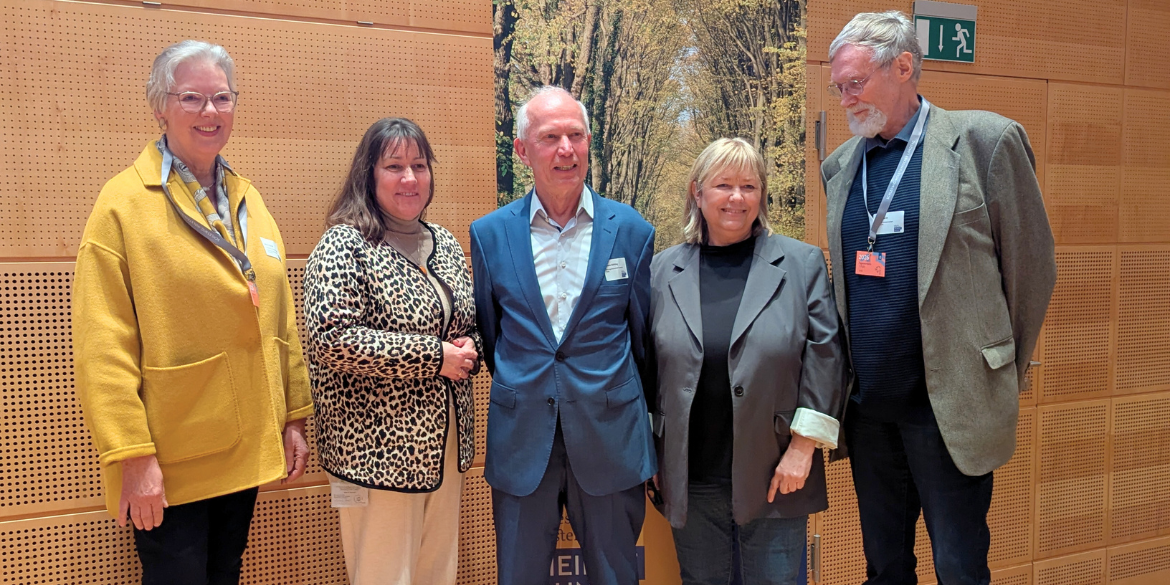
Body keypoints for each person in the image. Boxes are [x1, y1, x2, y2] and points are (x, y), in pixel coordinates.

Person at [821, 11, 1056, 585]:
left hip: (950, 410)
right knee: (884, 568)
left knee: (959, 568)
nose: (846, 99)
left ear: (903, 67)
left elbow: (1032, 270)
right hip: (870, 413)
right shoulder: (840, 167)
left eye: (856, 83)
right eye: (839, 88)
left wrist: (997, 367)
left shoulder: (985, 142)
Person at [73, 40, 312, 585]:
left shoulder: (248, 199)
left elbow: (280, 320)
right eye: (192, 98)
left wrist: (293, 415)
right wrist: (132, 455)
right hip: (171, 460)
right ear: (160, 106)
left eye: (223, 98)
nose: (210, 111)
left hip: (244, 446)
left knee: (225, 573)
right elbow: (101, 345)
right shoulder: (122, 204)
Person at [470, 86, 656, 585]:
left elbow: (641, 338)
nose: (566, 150)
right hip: (522, 441)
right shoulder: (489, 234)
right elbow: (493, 333)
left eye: (576, 135)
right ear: (522, 149)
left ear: (589, 142)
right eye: (550, 137)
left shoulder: (632, 230)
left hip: (610, 437)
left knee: (617, 576)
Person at [648, 138, 846, 585]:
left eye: (749, 186)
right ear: (698, 192)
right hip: (690, 475)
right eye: (723, 185)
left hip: (776, 470)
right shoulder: (661, 271)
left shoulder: (802, 264)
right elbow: (647, 369)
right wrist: (652, 455)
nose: (737, 198)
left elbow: (827, 357)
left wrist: (803, 449)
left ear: (761, 195)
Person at [303, 117, 480, 585]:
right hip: (377, 454)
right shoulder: (344, 244)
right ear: (369, 174)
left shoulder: (444, 243)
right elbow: (331, 338)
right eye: (394, 166)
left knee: (437, 575)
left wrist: (470, 347)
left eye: (419, 165)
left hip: (444, 449)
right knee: (383, 576)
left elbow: (467, 326)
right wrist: (433, 357)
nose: (409, 178)